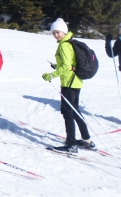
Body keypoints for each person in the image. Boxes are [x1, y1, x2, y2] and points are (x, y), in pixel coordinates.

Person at [42, 18, 95, 154]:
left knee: (68, 112)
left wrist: (51, 75)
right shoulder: (68, 42)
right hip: (75, 81)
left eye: (58, 32)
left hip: (69, 83)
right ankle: (86, 139)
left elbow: (66, 66)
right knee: (75, 110)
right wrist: (57, 66)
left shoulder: (64, 45)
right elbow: (68, 63)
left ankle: (71, 144)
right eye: (53, 33)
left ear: (64, 31)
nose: (56, 35)